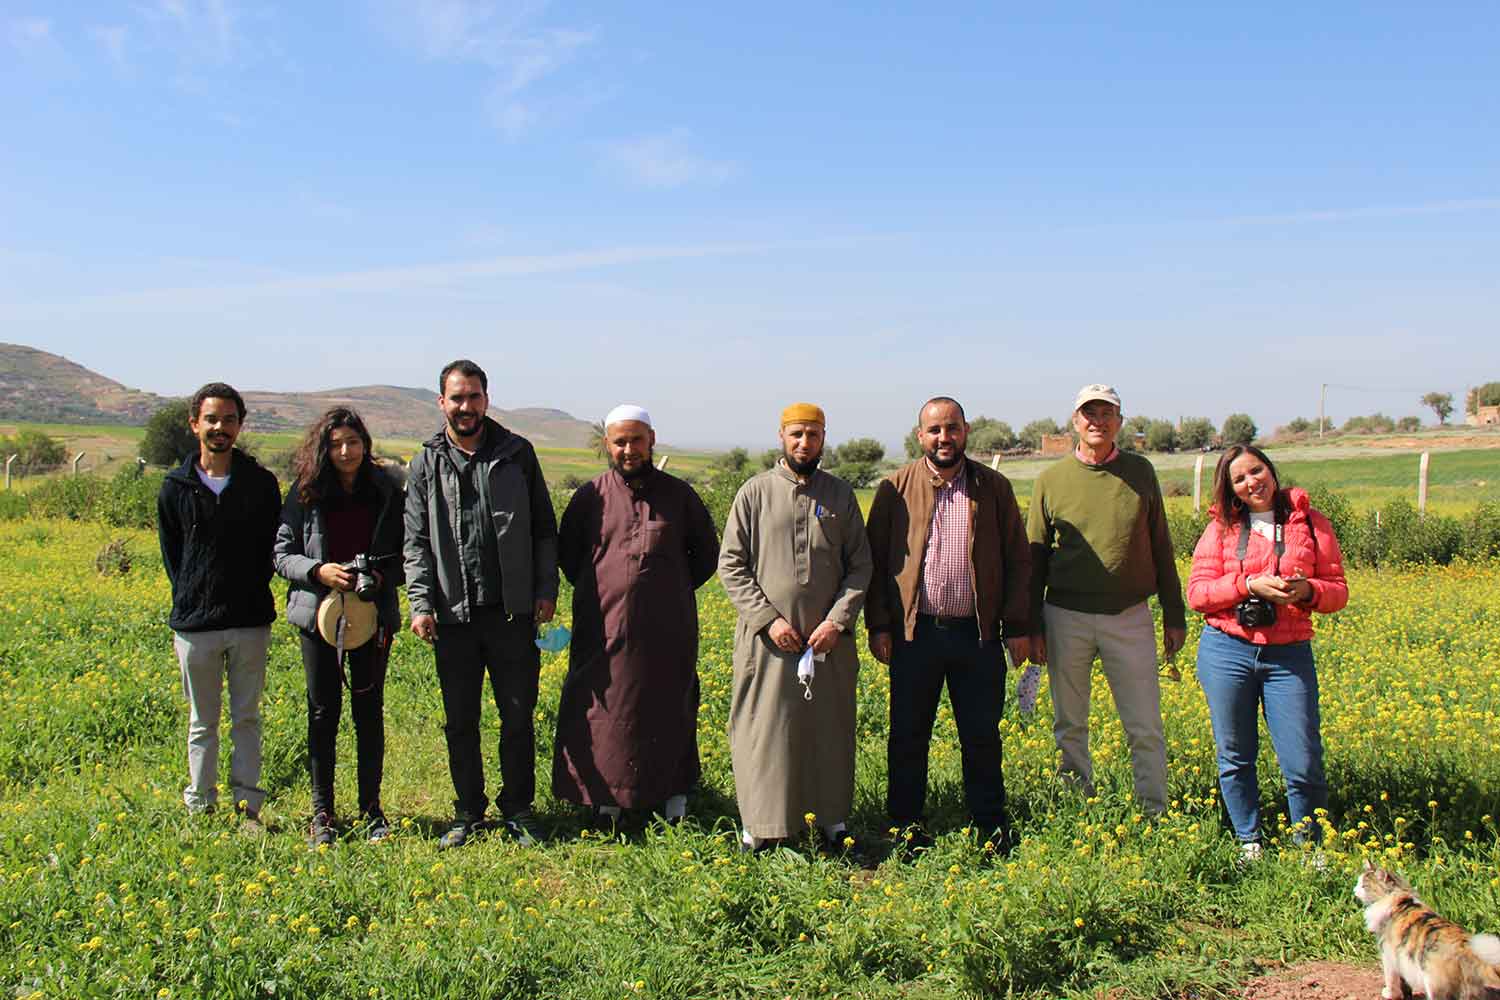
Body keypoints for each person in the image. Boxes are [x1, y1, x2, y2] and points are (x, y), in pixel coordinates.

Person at [403, 359, 559, 849]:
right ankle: (468, 810)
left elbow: (542, 529)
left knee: (517, 716)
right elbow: (415, 541)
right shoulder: (426, 462)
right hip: (454, 615)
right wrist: (420, 602)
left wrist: (545, 590)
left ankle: (518, 808)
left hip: (512, 614)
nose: (465, 406)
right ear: (441, 402)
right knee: (460, 720)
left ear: (486, 401)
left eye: (473, 397)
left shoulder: (517, 454)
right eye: (456, 397)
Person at [865, 397, 1031, 856]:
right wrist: (879, 625)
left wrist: (1017, 625)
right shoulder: (894, 487)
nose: (944, 438)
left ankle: (989, 825)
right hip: (914, 635)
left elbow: (1018, 559)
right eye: (935, 430)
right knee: (907, 735)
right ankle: (904, 826)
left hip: (976, 635)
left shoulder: (993, 488)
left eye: (952, 428)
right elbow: (875, 564)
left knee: (981, 734)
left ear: (966, 431)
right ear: (920, 436)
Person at [551, 405, 719, 825]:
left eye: (636, 440)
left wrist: (665, 591)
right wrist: (606, 591)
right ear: (607, 444)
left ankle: (673, 796)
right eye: (620, 441)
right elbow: (569, 556)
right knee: (606, 711)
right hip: (603, 626)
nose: (629, 449)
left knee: (669, 705)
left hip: (668, 629)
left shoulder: (679, 496)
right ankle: (605, 800)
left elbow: (706, 556)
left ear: (652, 440)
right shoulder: (591, 496)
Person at [717, 403, 872, 853]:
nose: (805, 443)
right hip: (768, 642)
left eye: (814, 435)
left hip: (828, 642)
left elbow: (860, 565)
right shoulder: (754, 493)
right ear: (782, 437)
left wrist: (836, 622)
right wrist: (769, 620)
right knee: (764, 731)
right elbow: (732, 564)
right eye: (797, 434)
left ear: (824, 438)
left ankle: (831, 820)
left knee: (829, 729)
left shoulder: (840, 496)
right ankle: (761, 826)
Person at [1027, 384, 1185, 814]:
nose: (1097, 421)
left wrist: (1174, 613)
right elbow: (1035, 557)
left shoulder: (1141, 472)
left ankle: (1154, 809)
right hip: (1064, 616)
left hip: (1129, 615)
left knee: (1144, 724)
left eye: (1106, 413)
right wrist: (1031, 625)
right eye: (1088, 413)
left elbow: (1160, 545)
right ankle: (1078, 807)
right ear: (1075, 421)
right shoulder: (1051, 480)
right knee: (1069, 722)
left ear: (1119, 421)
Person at [1187, 444, 1347, 861]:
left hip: (1288, 655)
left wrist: (1308, 590)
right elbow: (1198, 594)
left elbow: (1338, 590)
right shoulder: (1220, 529)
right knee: (1235, 753)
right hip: (1227, 650)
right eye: (1239, 479)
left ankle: (1311, 847)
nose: (1251, 482)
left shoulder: (1311, 524)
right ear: (1231, 489)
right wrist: (1247, 586)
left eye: (1255, 471)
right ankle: (1248, 840)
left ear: (1270, 470)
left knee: (1303, 757)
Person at [274, 407, 405, 847]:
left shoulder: (387, 491)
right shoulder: (306, 492)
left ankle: (372, 810)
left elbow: (408, 553)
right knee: (322, 712)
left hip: (372, 615)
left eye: (353, 442)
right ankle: (322, 813)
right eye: (335, 444)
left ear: (365, 445)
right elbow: (281, 554)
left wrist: (383, 575)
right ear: (322, 449)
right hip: (317, 616)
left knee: (369, 713)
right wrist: (318, 571)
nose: (346, 451)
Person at [156, 382, 282, 827]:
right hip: (195, 625)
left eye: (229, 419)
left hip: (249, 621)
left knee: (247, 718)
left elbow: (272, 549)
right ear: (195, 425)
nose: (220, 427)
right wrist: (195, 592)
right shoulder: (175, 487)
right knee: (201, 723)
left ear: (239, 425)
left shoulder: (262, 485)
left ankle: (249, 807)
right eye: (211, 419)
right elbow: (175, 557)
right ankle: (200, 806)